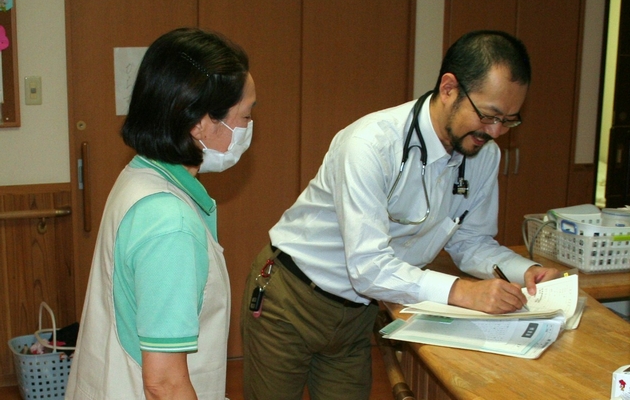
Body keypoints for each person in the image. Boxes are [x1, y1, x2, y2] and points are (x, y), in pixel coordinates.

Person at [241, 30, 559, 400]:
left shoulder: (483, 155)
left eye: (510, 120)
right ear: (449, 88)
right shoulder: (371, 144)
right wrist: (461, 291)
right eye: (489, 116)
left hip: (358, 312)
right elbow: (369, 267)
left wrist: (526, 272)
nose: (496, 132)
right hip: (291, 299)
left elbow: (470, 242)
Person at [66, 27, 255, 400]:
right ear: (200, 123)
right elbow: (164, 384)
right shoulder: (170, 223)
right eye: (245, 115)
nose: (249, 128)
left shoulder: (140, 176)